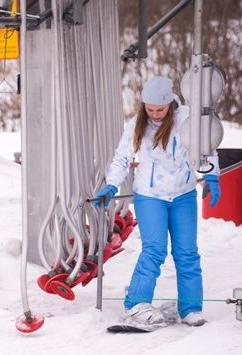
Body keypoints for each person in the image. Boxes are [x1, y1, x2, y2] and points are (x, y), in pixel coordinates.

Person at [94, 76, 221, 330]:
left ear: (169, 104)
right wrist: (111, 184)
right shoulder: (136, 125)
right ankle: (137, 304)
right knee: (154, 250)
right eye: (149, 109)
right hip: (150, 196)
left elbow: (207, 147)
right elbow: (122, 158)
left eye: (159, 110)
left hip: (183, 194)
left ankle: (191, 308)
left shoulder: (187, 119)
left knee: (187, 252)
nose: (154, 114)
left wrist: (212, 175)